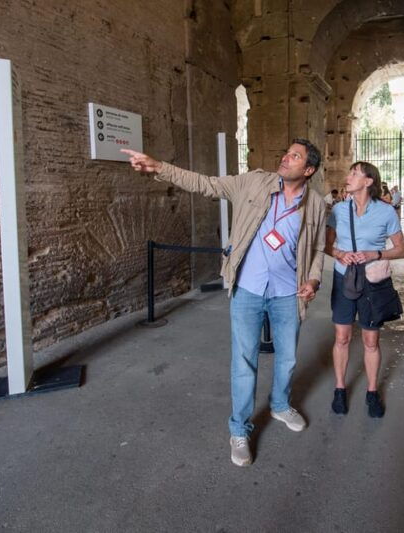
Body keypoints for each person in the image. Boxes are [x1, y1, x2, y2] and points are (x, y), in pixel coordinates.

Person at [121, 139, 327, 468]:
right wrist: (160, 168)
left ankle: (280, 404)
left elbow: (317, 248)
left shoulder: (315, 204)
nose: (285, 157)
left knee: (287, 358)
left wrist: (314, 279)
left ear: (309, 169)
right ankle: (239, 430)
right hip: (247, 288)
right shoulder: (253, 182)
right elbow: (206, 184)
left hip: (289, 293)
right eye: (286, 152)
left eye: (295, 156)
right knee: (243, 362)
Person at [324, 162, 404, 417]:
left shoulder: (386, 212)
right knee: (342, 337)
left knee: (371, 340)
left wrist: (376, 252)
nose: (347, 177)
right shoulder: (338, 210)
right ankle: (340, 388)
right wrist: (339, 254)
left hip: (372, 282)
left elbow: (401, 250)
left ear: (368, 181)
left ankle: (372, 391)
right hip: (343, 279)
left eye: (354, 173)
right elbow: (327, 245)